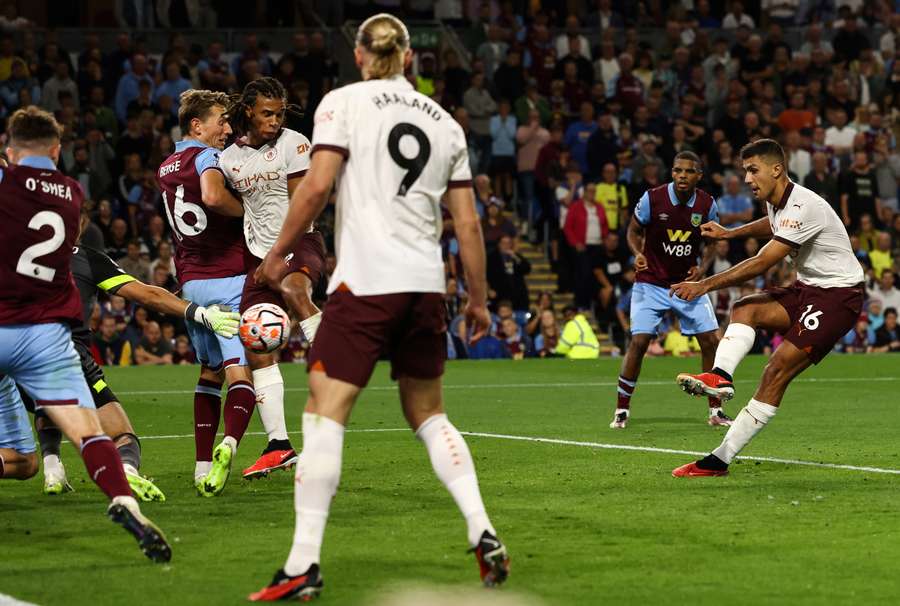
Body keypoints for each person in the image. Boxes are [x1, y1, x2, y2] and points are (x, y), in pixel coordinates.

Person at [249, 14, 509, 600]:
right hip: (423, 288)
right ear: (410, 58)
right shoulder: (445, 123)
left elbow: (315, 188)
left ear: (361, 55)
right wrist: (478, 299)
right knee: (430, 415)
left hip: (366, 285)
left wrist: (276, 254)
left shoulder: (342, 103)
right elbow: (466, 222)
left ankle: (302, 564)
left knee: (322, 413)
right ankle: (481, 527)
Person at [0, 106, 170, 562]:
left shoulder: (7, 181)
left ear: (9, 148)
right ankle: (122, 500)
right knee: (90, 433)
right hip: (47, 336)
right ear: (56, 150)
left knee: (24, 460)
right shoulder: (72, 193)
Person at [671, 139, 865, 477]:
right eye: (745, 171)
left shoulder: (804, 206)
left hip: (838, 296)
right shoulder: (778, 201)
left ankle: (719, 459)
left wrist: (704, 285)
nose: (747, 179)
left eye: (752, 170)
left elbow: (763, 262)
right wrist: (731, 234)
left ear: (776, 169)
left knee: (775, 371)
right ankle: (720, 377)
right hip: (809, 288)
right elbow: (771, 224)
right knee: (746, 308)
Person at [26, 210, 240, 500]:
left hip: (14, 356)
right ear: (76, 228)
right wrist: (198, 312)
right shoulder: (86, 258)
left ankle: (53, 468)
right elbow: (146, 295)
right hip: (66, 354)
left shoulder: (15, 257)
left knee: (46, 401)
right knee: (124, 437)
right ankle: (126, 469)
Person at [221, 77, 324, 480]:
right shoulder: (229, 159)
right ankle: (279, 445)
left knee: (296, 287)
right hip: (260, 256)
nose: (275, 120)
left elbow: (303, 203)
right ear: (248, 111)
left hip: (300, 241)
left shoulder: (294, 143)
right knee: (255, 341)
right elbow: (233, 201)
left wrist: (280, 253)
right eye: (267, 113)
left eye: (279, 113)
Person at [156, 89, 257, 496]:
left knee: (208, 372)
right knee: (239, 371)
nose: (228, 129)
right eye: (221, 121)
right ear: (196, 125)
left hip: (192, 283)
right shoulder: (205, 158)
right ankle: (230, 444)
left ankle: (200, 466)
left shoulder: (165, 166)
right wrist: (251, 211)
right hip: (228, 277)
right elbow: (213, 197)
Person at [610, 152, 727, 429]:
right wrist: (638, 253)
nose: (682, 176)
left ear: (699, 176)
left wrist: (703, 267)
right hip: (650, 283)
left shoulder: (707, 204)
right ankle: (622, 410)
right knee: (639, 342)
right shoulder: (653, 198)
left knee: (711, 341)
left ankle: (715, 411)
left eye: (688, 171)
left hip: (686, 284)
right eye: (677, 171)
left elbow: (712, 241)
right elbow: (633, 230)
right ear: (672, 173)